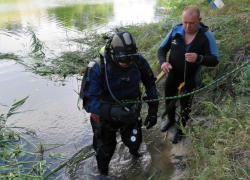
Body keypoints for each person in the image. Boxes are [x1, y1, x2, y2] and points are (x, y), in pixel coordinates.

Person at [80, 30, 159, 175]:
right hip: (104, 119)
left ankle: (136, 159)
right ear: (113, 54)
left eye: (131, 58)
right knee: (104, 151)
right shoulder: (97, 68)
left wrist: (153, 110)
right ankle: (103, 173)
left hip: (131, 114)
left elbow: (150, 84)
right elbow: (89, 102)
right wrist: (114, 113)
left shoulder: (138, 62)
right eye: (123, 59)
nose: (128, 63)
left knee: (135, 142)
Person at [157, 5, 219, 144]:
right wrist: (163, 63)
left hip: (190, 80)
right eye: (185, 22)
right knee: (169, 101)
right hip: (172, 77)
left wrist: (199, 58)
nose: (187, 26)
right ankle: (171, 121)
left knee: (185, 107)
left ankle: (180, 130)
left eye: (191, 23)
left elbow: (215, 59)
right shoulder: (175, 31)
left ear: (199, 20)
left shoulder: (206, 36)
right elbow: (161, 49)